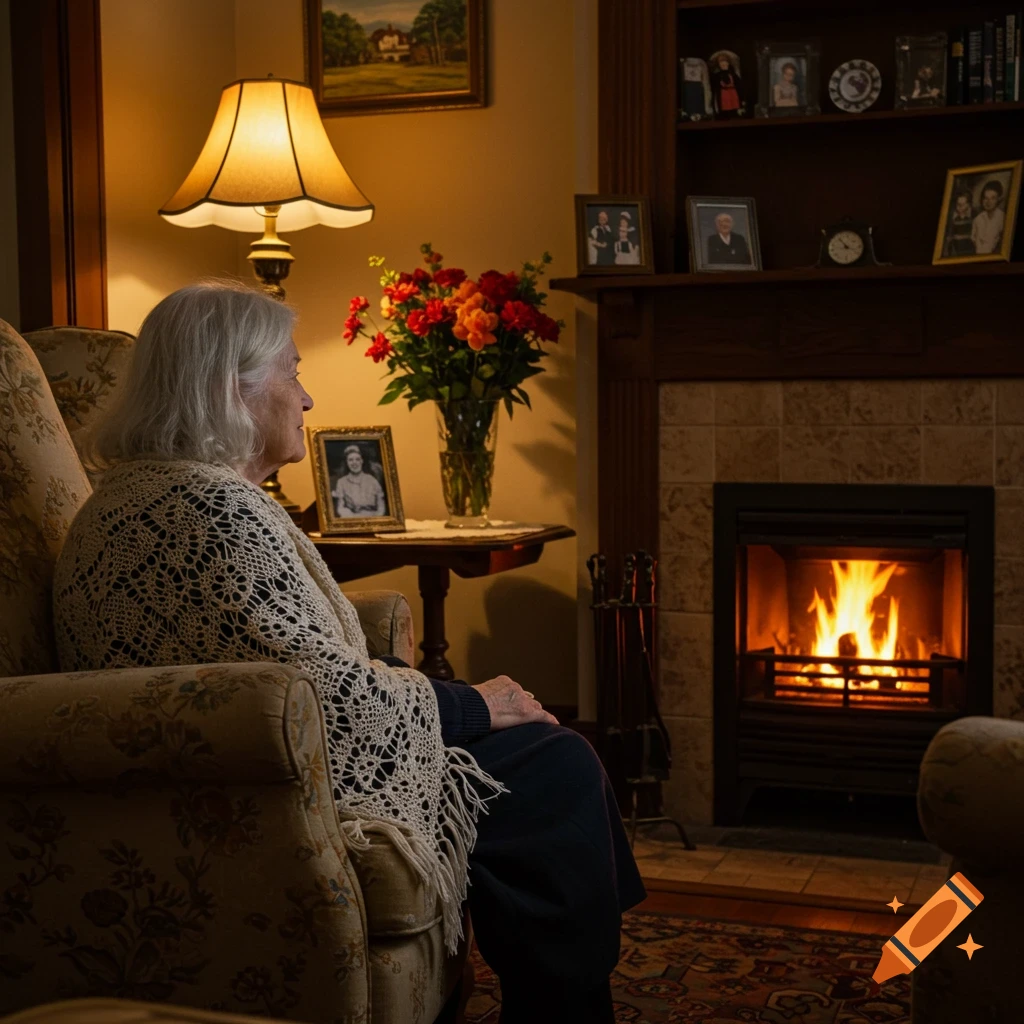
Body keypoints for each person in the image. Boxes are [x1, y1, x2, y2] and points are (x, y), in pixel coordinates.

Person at [53, 282, 644, 1024]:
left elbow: (286, 660)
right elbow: (321, 699)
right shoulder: (205, 510)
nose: (305, 399)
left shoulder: (152, 494)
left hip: (252, 760)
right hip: (263, 778)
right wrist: (473, 705)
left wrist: (450, 701)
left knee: (541, 759)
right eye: (292, 371)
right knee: (555, 764)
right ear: (228, 385)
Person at [333, 443, 386, 517]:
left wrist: (376, 518)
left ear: (362, 461)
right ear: (347, 463)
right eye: (350, 460)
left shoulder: (372, 481)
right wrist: (354, 517)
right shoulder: (341, 482)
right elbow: (340, 509)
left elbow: (381, 507)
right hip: (352, 519)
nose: (354, 463)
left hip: (373, 519)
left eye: (357, 459)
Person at [972, 179, 1005, 255]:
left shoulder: (1003, 218)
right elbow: (974, 240)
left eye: (993, 198)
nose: (988, 202)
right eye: (986, 198)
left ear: (998, 199)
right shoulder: (978, 219)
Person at [710, 51, 743, 117]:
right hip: (723, 94)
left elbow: (739, 84)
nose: (723, 64)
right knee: (724, 110)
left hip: (733, 93)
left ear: (728, 63)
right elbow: (714, 87)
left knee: (733, 109)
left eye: (725, 62)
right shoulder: (717, 75)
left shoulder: (733, 74)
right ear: (718, 64)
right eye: (721, 62)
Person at [946, 191, 975, 257]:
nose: (960, 207)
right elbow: (949, 235)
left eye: (963, 204)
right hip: (956, 249)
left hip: (970, 249)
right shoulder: (952, 218)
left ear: (969, 204)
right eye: (958, 204)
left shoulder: (973, 216)